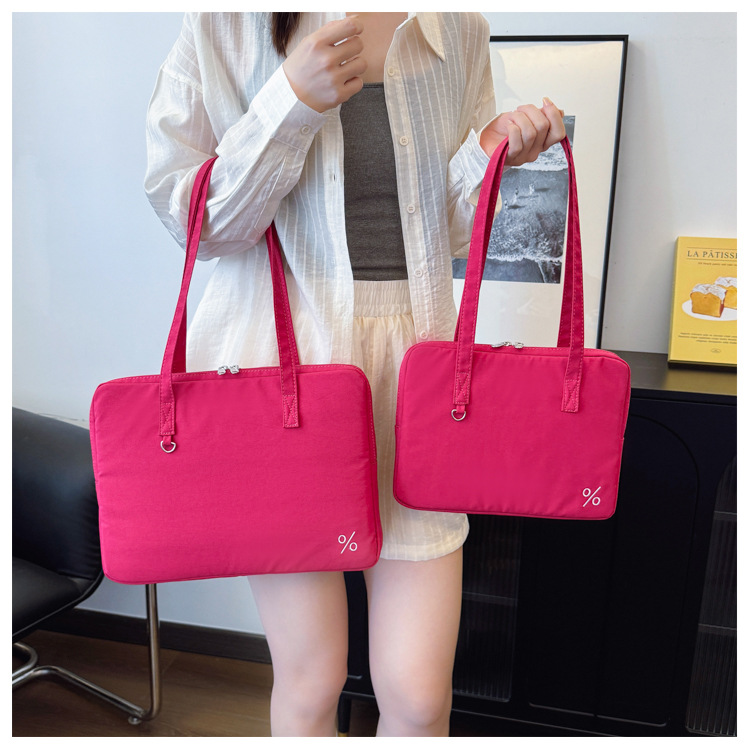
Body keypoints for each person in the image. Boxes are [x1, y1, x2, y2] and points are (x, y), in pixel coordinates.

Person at [144, 12, 565, 737]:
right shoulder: (226, 22)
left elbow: (447, 230)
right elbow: (198, 228)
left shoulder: (456, 28)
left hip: (418, 377)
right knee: (311, 682)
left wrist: (488, 154)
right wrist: (290, 103)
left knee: (419, 698)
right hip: (285, 380)